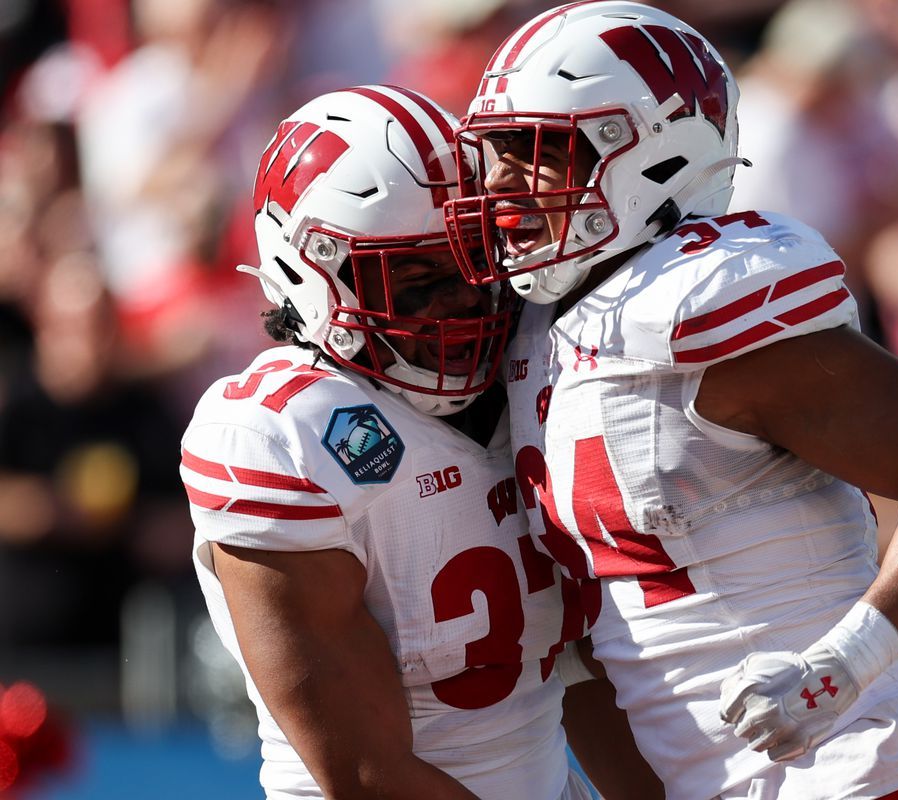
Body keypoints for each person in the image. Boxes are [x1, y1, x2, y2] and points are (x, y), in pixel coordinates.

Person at [442, 3, 898, 799]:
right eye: (495, 154)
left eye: (536, 152)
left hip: (861, 769)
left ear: (652, 156)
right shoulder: (533, 340)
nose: (503, 184)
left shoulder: (704, 305)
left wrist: (846, 665)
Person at [180, 85, 595, 800]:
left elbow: (594, 671)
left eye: (474, 262)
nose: (465, 300)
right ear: (310, 273)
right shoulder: (281, 432)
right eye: (413, 276)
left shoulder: (534, 370)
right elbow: (367, 776)